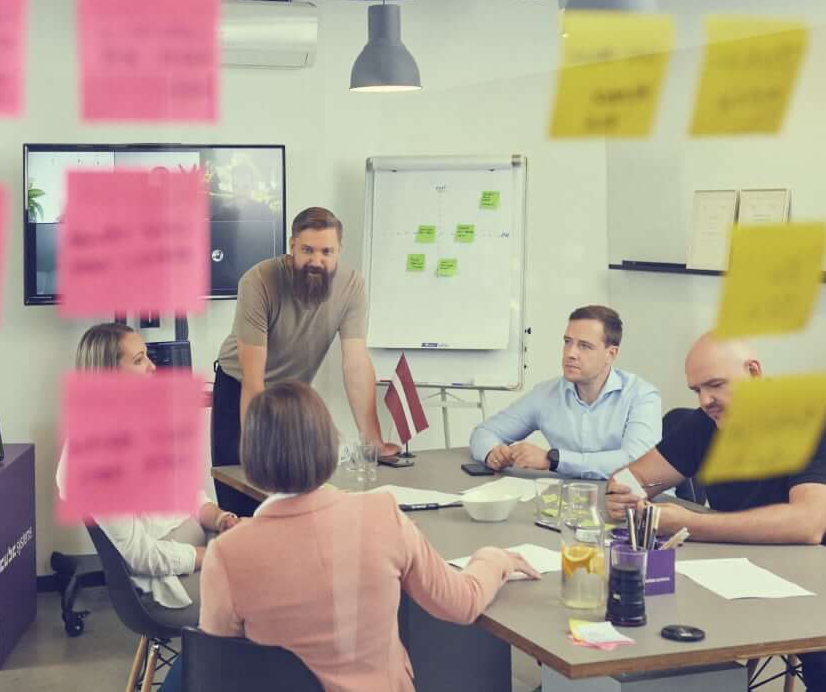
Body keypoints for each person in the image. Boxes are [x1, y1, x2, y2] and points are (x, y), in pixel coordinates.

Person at [199, 382, 538, 692]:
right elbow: (460, 603)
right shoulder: (382, 514)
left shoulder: (227, 555)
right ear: (328, 443)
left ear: (251, 453)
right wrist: (496, 559)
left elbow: (219, 669)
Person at [605, 333, 826, 692]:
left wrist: (689, 523)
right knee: (663, 637)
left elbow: (808, 523)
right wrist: (622, 493)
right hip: (747, 576)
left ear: (753, 372)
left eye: (716, 385)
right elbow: (634, 478)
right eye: (697, 390)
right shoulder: (706, 423)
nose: (706, 400)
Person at [212, 206, 398, 515]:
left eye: (327, 251)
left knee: (295, 495)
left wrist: (373, 440)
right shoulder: (258, 282)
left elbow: (355, 363)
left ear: (339, 251)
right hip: (240, 389)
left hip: (293, 396)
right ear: (291, 247)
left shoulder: (352, 286)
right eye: (307, 250)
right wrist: (256, 451)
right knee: (242, 492)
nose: (316, 261)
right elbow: (254, 379)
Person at [56, 322, 240, 631]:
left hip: (196, 554)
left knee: (273, 564)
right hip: (168, 586)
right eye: (139, 360)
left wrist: (221, 519)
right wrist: (209, 557)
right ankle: (209, 677)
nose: (153, 367)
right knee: (267, 593)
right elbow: (140, 556)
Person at [469, 305, 661, 479]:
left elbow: (636, 462)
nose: (570, 353)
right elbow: (484, 432)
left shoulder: (642, 396)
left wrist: (554, 460)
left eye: (584, 346)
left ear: (610, 354)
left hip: (638, 504)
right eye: (568, 342)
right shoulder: (546, 394)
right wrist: (492, 453)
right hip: (575, 503)